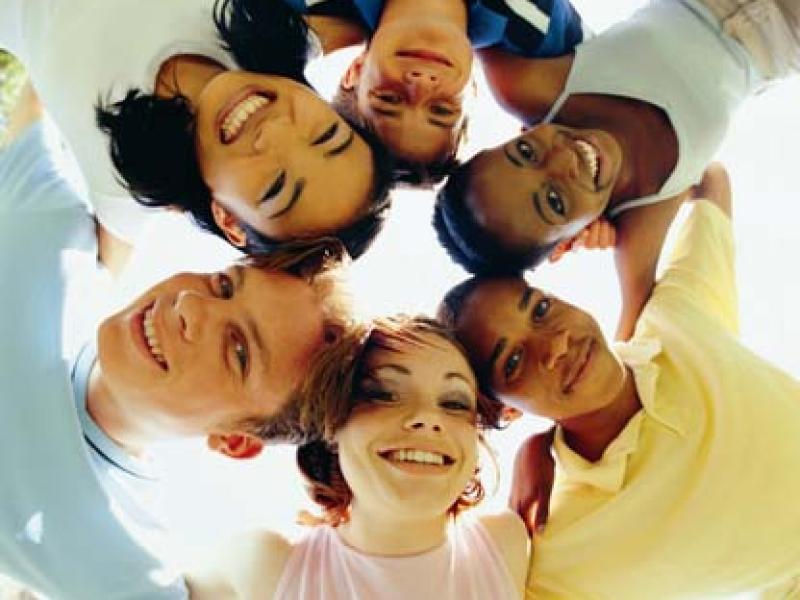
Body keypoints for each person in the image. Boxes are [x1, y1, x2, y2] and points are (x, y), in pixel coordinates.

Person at [0, 86, 351, 599]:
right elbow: (49, 84)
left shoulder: (123, 557)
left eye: (238, 350)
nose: (191, 308)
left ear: (236, 441)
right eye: (224, 285)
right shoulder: (59, 236)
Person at [438, 165, 800, 597]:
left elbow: (707, 175)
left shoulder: (673, 317)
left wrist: (609, 206)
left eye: (540, 310)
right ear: (508, 408)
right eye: (514, 360)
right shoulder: (565, 547)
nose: (555, 346)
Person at [434, 0, 799, 335]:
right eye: (555, 202)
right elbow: (637, 341)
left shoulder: (530, 88)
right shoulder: (643, 215)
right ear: (565, 244)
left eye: (527, 152)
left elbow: (460, 15)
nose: (564, 159)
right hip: (785, 39)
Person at [0, 0, 393, 266]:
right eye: (325, 135)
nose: (274, 131)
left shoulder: (122, 193)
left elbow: (86, 285)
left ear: (230, 221)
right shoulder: (277, 28)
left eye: (276, 187)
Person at [186, 316, 529, 600]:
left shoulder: (506, 542)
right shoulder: (263, 565)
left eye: (454, 403)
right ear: (332, 429)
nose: (428, 417)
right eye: (383, 394)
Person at [321, 0, 588, 183]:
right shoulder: (534, 23)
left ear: (355, 71)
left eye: (389, 99)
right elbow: (607, 86)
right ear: (471, 87)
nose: (422, 82)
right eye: (441, 109)